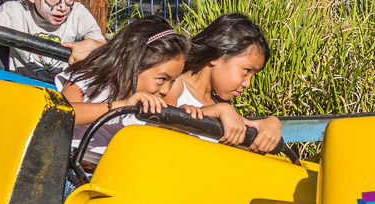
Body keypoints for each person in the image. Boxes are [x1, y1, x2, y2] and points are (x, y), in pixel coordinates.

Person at [58, 16, 191, 166]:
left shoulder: (148, 104)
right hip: (72, 167)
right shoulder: (90, 77)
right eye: (162, 79)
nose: (166, 90)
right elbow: (63, 113)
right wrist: (120, 106)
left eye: (172, 81)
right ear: (133, 61)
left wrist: (181, 123)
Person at [166, 13, 283, 152]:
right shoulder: (175, 86)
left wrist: (271, 125)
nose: (248, 84)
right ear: (217, 56)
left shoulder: (222, 106)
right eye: (246, 71)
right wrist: (218, 110)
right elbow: (164, 130)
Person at [0, 0, 106, 79]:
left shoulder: (78, 14)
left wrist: (92, 46)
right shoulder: (15, 12)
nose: (63, 7)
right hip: (21, 86)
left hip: (63, 90)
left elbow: (103, 48)